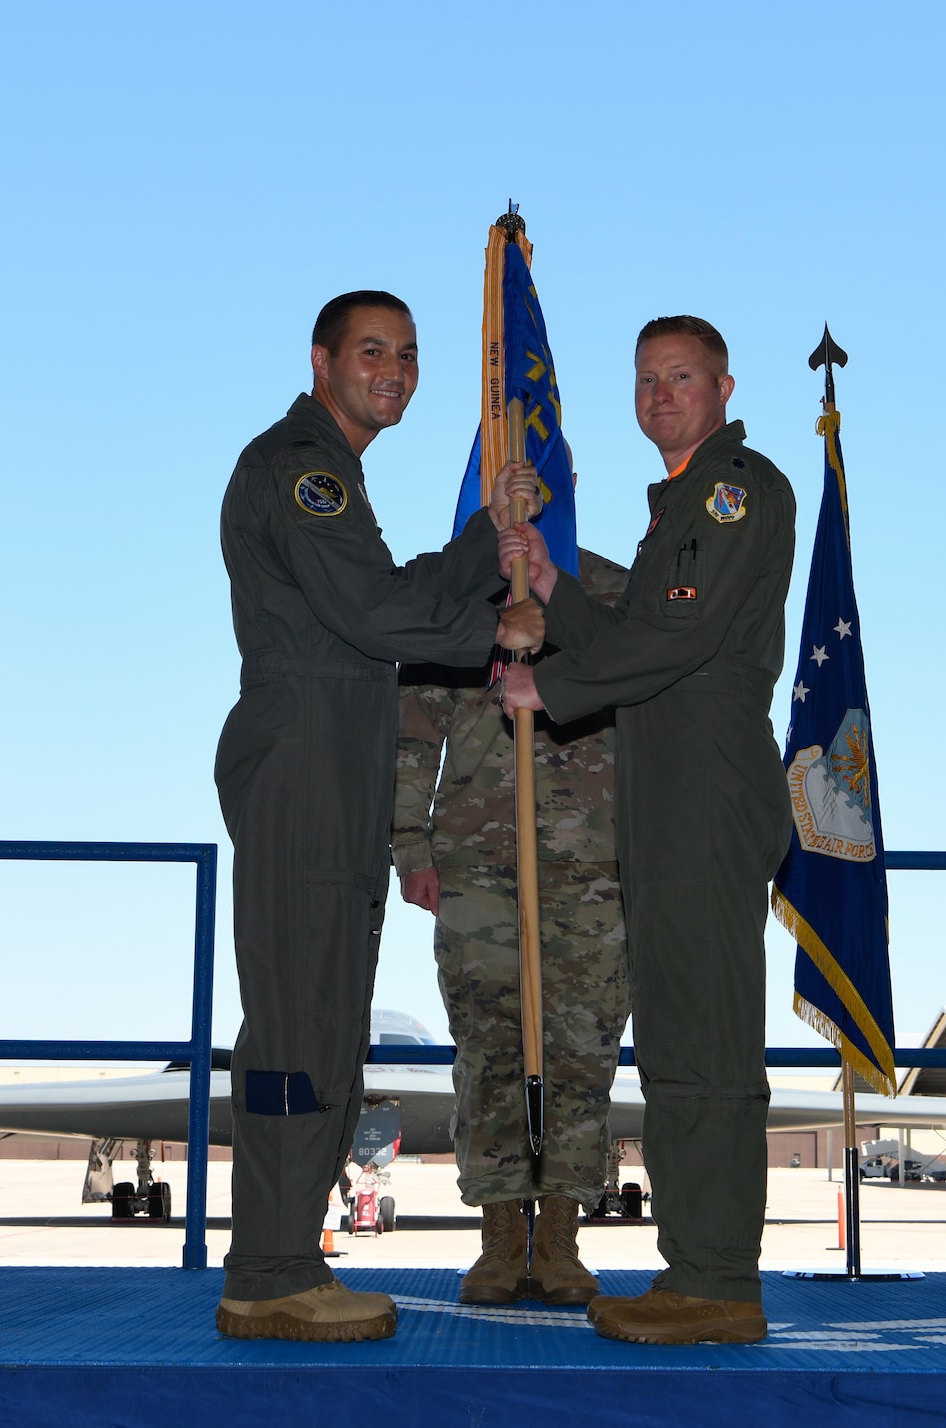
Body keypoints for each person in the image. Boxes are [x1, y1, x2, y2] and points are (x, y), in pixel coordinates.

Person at [213, 290, 543, 1342]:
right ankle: (268, 1270)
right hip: (305, 762)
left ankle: (282, 1258)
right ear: (321, 359)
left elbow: (380, 609)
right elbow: (377, 615)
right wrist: (497, 591)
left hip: (331, 762)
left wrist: (481, 558)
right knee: (299, 1023)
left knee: (323, 1020)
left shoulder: (335, 476)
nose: (392, 369)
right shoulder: (301, 469)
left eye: (407, 353)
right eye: (370, 350)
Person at [503, 316, 795, 1344]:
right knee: (674, 1047)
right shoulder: (675, 508)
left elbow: (676, 637)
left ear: (721, 386)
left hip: (705, 793)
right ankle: (695, 1270)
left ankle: (718, 1282)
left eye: (680, 377)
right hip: (667, 794)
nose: (659, 394)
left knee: (705, 1047)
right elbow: (637, 635)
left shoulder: (735, 489)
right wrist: (548, 588)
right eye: (645, 379)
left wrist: (549, 683)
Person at [393, 548, 632, 1307]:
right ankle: (500, 1239)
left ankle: (559, 1235)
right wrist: (409, 847)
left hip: (592, 867)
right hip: (477, 866)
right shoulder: (457, 599)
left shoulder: (609, 591)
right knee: (490, 1045)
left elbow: (652, 701)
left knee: (581, 1050)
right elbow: (410, 738)